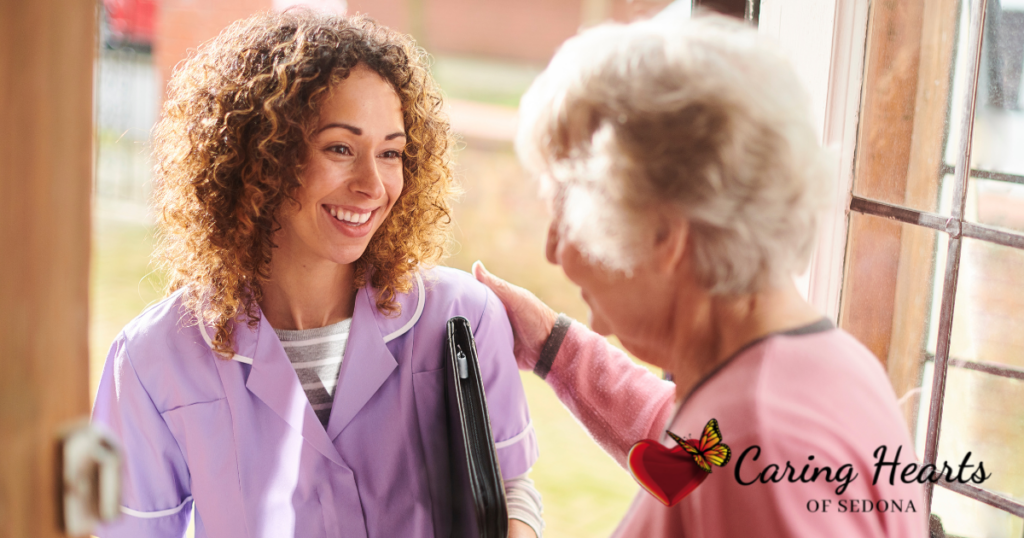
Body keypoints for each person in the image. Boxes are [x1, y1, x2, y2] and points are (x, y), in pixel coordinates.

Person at [472, 14, 927, 538]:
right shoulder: (820, 371)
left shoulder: (760, 451)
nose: (553, 250)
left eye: (565, 206)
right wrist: (554, 346)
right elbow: (696, 449)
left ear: (665, 235)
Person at [91, 10, 542, 538]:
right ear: (261, 157)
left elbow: (511, 489)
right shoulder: (154, 359)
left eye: (391, 152)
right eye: (340, 149)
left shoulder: (461, 319)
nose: (374, 184)